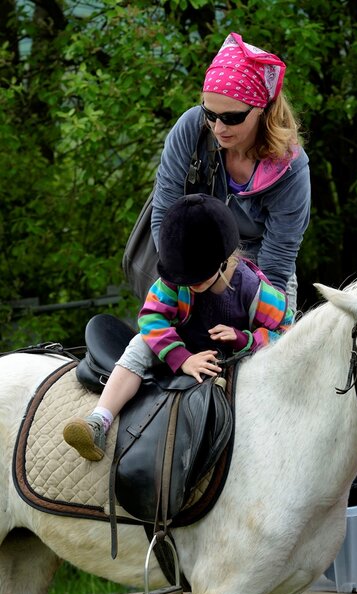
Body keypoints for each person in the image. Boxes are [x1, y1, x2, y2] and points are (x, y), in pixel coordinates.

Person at [63, 194, 293, 461]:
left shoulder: (255, 290)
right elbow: (150, 318)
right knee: (139, 344)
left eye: (197, 278)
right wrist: (182, 359)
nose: (189, 284)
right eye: (185, 279)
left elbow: (286, 331)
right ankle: (99, 421)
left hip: (231, 357)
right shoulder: (176, 279)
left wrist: (244, 339)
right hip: (183, 347)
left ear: (224, 260)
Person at [152, 32, 310, 312]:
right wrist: (189, 279)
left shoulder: (291, 169)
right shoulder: (191, 128)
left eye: (232, 118)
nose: (218, 128)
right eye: (210, 114)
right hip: (189, 261)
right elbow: (165, 214)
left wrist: (256, 318)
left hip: (260, 270)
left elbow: (277, 262)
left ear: (263, 108)